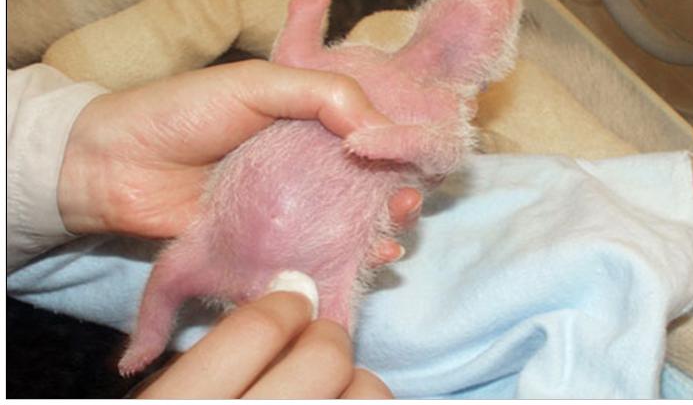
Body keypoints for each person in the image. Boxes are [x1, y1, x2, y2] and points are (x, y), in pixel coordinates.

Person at [8, 59, 423, 398]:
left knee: (327, 331)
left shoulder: (422, 102)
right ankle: (148, 339)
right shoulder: (365, 66)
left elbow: (432, 164)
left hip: (305, 259)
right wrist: (86, 157)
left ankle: (150, 340)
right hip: (216, 235)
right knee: (172, 280)